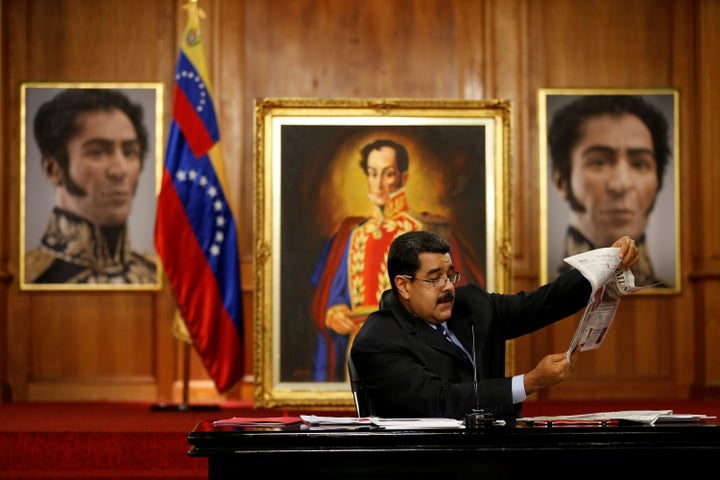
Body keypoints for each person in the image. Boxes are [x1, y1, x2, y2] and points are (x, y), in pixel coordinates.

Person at [349, 230, 639, 419]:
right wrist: (530, 382)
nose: (448, 287)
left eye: (450, 275)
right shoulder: (377, 340)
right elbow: (442, 400)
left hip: (492, 451)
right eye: (434, 278)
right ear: (403, 285)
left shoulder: (473, 304)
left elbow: (539, 305)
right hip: (421, 466)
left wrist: (604, 263)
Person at [310, 138, 484, 381]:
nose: (379, 184)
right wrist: (334, 312)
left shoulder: (428, 229)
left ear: (403, 177)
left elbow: (454, 295)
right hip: (359, 346)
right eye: (372, 174)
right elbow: (334, 292)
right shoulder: (352, 233)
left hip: (414, 347)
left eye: (388, 174)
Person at [25, 88, 156, 284]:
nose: (120, 171)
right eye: (98, 152)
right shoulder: (28, 278)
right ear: (53, 169)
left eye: (129, 153)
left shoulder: (157, 275)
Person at [548, 94, 671, 288]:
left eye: (639, 164)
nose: (621, 185)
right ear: (561, 181)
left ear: (658, 182)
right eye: (599, 162)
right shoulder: (540, 302)